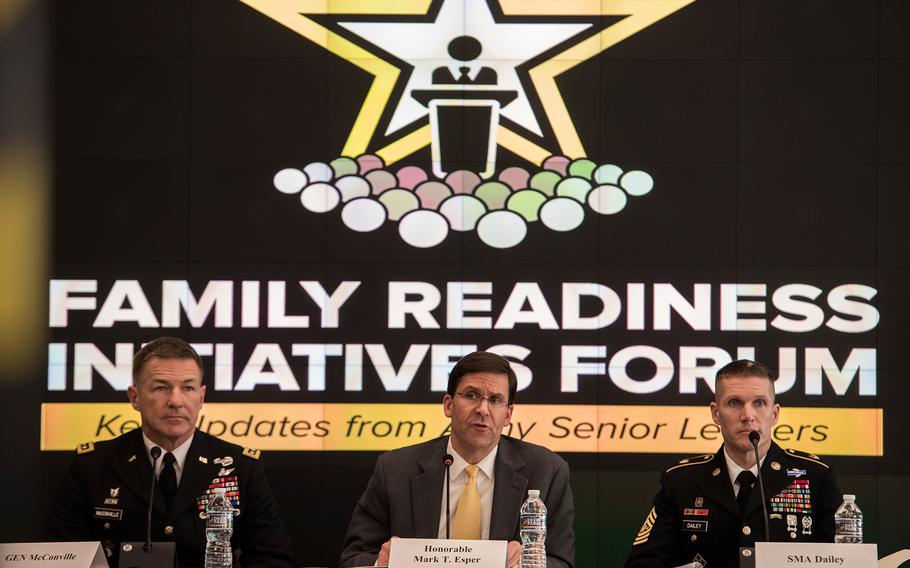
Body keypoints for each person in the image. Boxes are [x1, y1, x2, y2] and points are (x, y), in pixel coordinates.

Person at [47, 337, 296, 568]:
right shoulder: (93, 465)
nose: (176, 401)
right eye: (161, 388)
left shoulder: (242, 467)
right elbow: (63, 557)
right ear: (135, 397)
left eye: (187, 388)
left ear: (201, 397)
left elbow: (272, 559)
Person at [339, 351, 574, 568]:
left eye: (495, 400)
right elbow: (353, 558)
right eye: (472, 395)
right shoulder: (394, 470)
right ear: (448, 405)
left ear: (508, 414)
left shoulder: (546, 472)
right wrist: (381, 564)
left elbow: (561, 561)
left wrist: (527, 565)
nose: (483, 409)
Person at [623, 359, 842, 568]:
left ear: (774, 414)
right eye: (735, 403)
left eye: (760, 403)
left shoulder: (815, 477)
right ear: (716, 413)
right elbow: (642, 563)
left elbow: (845, 560)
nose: (748, 415)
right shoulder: (681, 482)